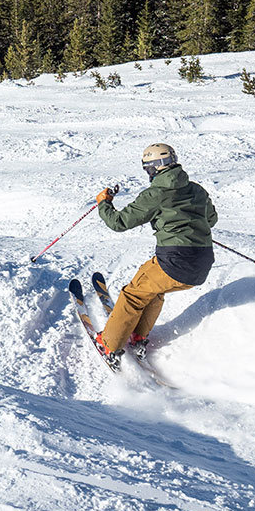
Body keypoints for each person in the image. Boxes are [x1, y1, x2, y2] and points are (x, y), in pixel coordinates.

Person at [93, 143, 216, 365]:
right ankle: (138, 336)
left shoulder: (155, 194)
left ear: (155, 168)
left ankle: (109, 344)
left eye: (148, 168)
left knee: (133, 294)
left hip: (175, 260)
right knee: (154, 289)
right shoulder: (196, 189)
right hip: (202, 263)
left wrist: (104, 204)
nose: (148, 173)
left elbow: (119, 223)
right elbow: (211, 219)